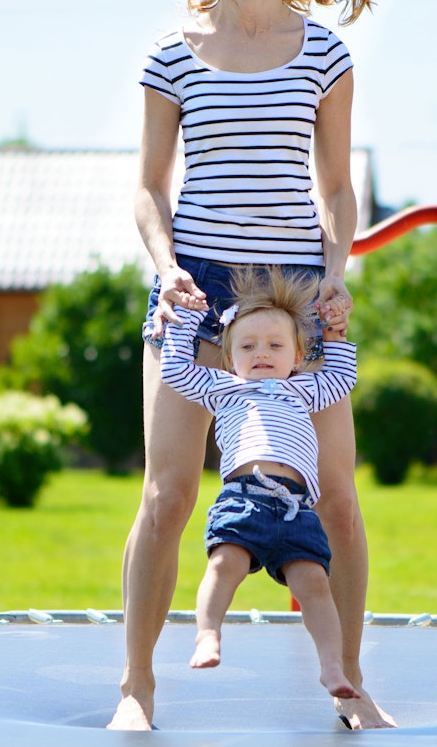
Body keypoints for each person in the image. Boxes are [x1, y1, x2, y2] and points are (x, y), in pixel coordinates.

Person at [110, 0, 414, 732]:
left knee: (336, 496)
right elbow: (150, 186)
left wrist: (338, 271)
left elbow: (337, 184)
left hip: (293, 292)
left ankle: (353, 686)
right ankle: (136, 687)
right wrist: (166, 267)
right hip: (197, 288)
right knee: (168, 495)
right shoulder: (172, 50)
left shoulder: (325, 53)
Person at [160, 267, 359, 700]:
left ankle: (331, 666)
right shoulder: (223, 387)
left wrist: (336, 335)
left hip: (297, 509)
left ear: (298, 355)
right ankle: (207, 633)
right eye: (248, 346)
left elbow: (343, 378)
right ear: (231, 359)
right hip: (242, 500)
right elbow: (175, 371)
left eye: (275, 345)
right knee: (224, 565)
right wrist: (189, 319)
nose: (261, 353)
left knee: (315, 585)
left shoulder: (306, 389)